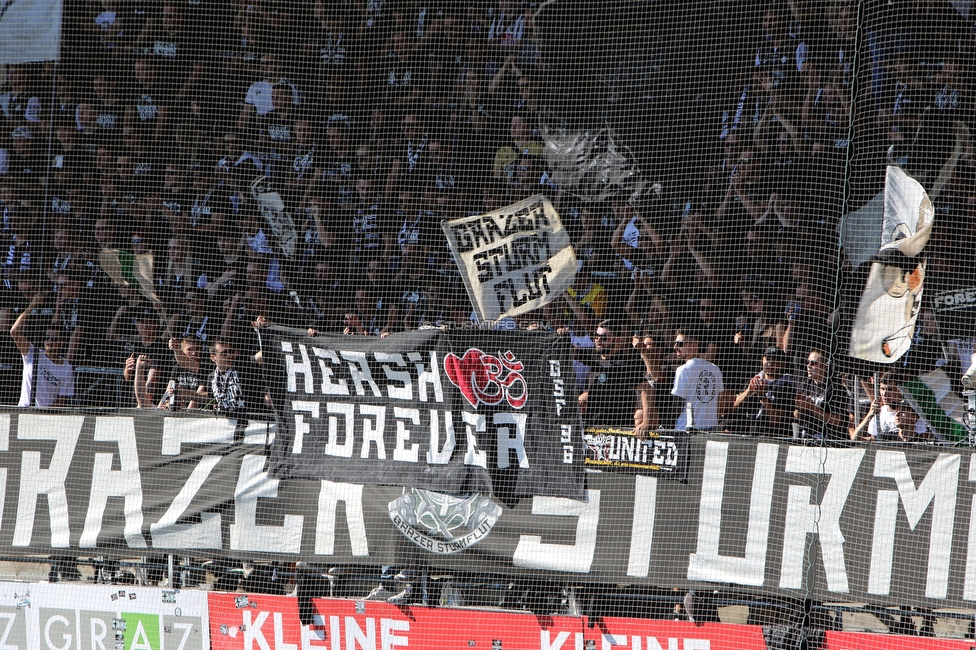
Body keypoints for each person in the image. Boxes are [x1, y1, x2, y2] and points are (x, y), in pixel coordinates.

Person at [11, 292, 74, 408]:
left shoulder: (67, 368)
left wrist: (46, 416)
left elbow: (62, 400)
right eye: (47, 337)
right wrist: (32, 305)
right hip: (24, 411)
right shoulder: (32, 354)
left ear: (62, 343)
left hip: (45, 418)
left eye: (54, 339)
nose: (49, 341)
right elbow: (14, 332)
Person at [579, 319, 645, 430]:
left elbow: (646, 390)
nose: (599, 340)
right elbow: (573, 351)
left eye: (604, 337)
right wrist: (562, 338)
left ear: (618, 340)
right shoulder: (594, 358)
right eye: (596, 336)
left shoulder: (625, 364)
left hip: (617, 430)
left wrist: (645, 423)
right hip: (592, 429)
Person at [671, 326, 727, 430]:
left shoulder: (683, 370)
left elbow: (677, 405)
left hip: (685, 430)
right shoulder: (715, 370)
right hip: (710, 431)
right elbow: (721, 403)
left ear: (693, 345)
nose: (675, 347)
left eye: (680, 344)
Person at [795, 349, 851, 439]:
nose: (809, 366)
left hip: (828, 438)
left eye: (813, 363)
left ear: (824, 366)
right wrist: (800, 408)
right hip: (806, 435)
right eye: (807, 362)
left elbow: (837, 420)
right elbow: (796, 416)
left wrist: (811, 407)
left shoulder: (835, 388)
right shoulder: (805, 385)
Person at [206, 336, 269, 415]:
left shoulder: (243, 366)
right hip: (227, 423)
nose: (229, 355)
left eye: (231, 351)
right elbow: (215, 401)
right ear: (213, 357)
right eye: (224, 353)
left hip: (253, 420)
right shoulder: (211, 378)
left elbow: (263, 355)